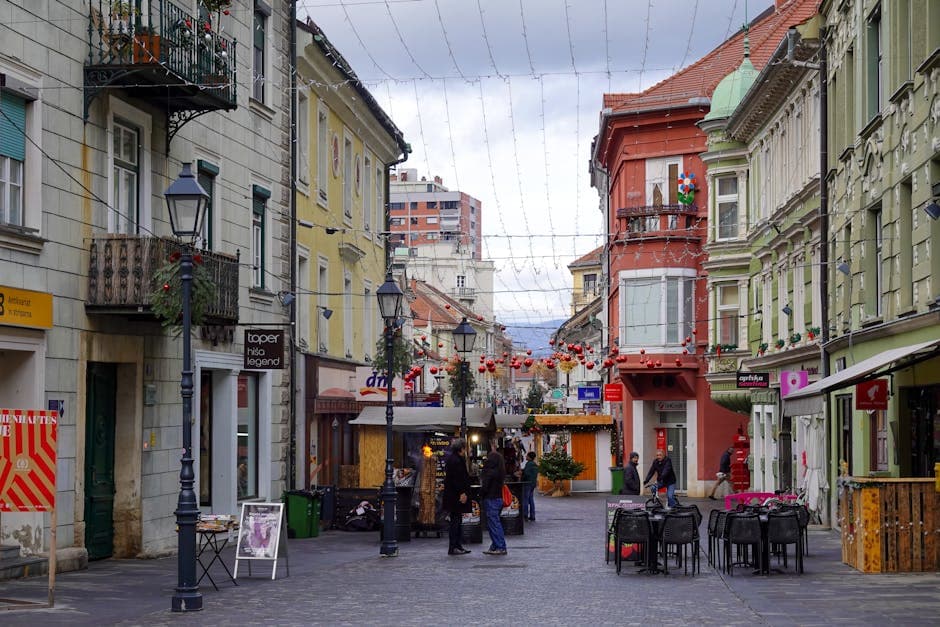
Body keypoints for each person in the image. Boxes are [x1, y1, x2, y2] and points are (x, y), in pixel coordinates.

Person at [442, 438, 472, 555]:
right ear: (461, 448)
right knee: (456, 522)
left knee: (457, 520)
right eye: (465, 448)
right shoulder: (456, 461)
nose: (466, 450)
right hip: (455, 496)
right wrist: (462, 493)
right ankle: (454, 546)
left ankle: (457, 545)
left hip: (453, 495)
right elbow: (457, 479)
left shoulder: (453, 459)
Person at [480, 445, 508, 555]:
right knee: (494, 523)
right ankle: (495, 545)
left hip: (490, 499)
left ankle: (500, 546)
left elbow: (485, 486)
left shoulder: (489, 472)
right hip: (498, 498)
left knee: (494, 524)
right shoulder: (499, 471)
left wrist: (480, 493)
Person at [520, 451, 539, 521]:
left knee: (525, 499)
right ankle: (532, 515)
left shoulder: (529, 464)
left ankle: (525, 515)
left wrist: (522, 476)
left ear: (529, 457)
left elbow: (526, 473)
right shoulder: (534, 464)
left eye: (527, 456)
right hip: (533, 483)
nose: (526, 457)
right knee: (531, 499)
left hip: (527, 483)